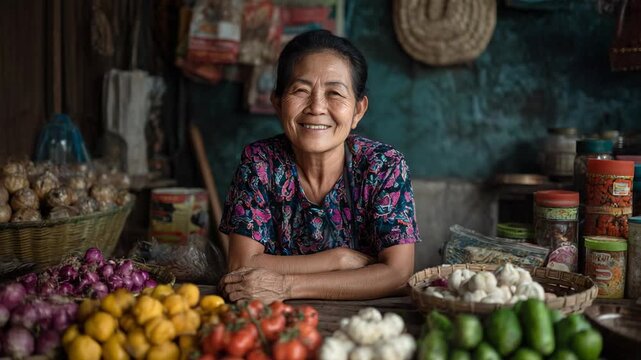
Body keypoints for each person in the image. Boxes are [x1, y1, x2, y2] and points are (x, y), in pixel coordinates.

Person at [219, 30, 420, 303]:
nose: (317, 107)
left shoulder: (382, 167)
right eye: (300, 90)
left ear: (358, 111)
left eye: (335, 93)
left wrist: (287, 286)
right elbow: (241, 264)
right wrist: (338, 258)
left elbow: (398, 273)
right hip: (276, 322)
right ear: (278, 104)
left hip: (367, 324)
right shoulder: (260, 163)